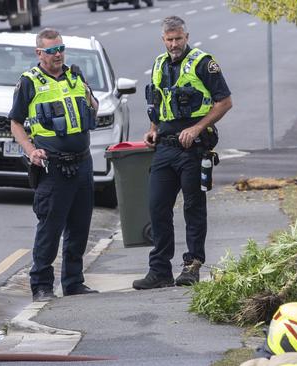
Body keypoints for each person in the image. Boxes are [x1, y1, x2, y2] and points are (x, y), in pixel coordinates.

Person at [132, 16, 232, 290]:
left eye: (178, 39)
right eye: (169, 40)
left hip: (193, 148)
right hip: (165, 146)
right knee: (157, 206)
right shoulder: (158, 64)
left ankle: (192, 265)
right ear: (163, 40)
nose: (174, 44)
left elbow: (224, 102)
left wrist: (198, 128)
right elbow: (157, 102)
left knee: (193, 207)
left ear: (187, 36)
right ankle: (159, 270)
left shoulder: (203, 63)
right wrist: (152, 129)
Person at [10, 28, 99, 302]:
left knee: (80, 227)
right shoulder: (29, 82)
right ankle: (41, 286)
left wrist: (89, 97)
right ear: (40, 53)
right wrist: (31, 151)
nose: (58, 54)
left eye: (60, 48)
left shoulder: (75, 75)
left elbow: (93, 107)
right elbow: (15, 123)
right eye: (51, 50)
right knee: (50, 229)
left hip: (82, 163)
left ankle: (73, 282)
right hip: (53, 167)